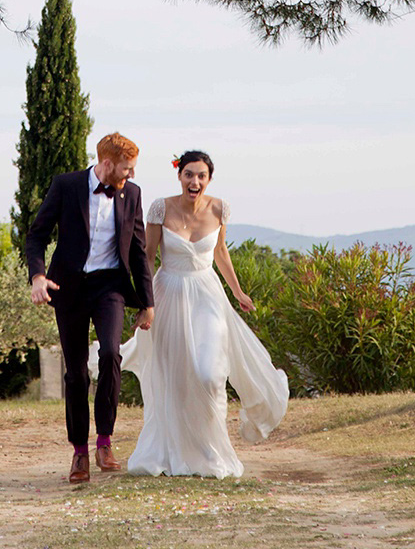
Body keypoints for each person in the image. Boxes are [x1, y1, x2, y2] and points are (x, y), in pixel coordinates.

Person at [120, 148, 289, 477]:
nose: (194, 181)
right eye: (189, 174)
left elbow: (221, 251)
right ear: (179, 175)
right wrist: (144, 304)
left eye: (201, 176)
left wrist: (238, 292)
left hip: (207, 296)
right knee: (174, 378)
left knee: (209, 375)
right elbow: (149, 256)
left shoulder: (220, 208)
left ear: (209, 179)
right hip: (168, 294)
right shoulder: (160, 208)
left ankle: (211, 452)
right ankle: (173, 451)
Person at [26, 131, 154, 484]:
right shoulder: (66, 186)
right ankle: (79, 451)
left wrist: (147, 302)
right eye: (126, 169)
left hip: (109, 286)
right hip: (67, 288)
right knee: (77, 372)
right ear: (108, 164)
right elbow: (36, 235)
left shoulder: (133, 194)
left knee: (112, 354)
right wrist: (37, 276)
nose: (130, 175)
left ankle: (105, 442)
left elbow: (139, 251)